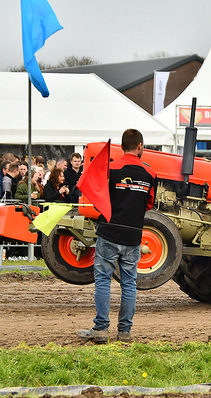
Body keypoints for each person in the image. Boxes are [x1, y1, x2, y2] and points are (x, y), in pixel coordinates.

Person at [78, 129, 157, 343]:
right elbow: (148, 204)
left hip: (109, 233)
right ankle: (124, 332)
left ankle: (101, 329)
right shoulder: (150, 174)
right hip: (133, 236)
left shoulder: (110, 170)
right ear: (140, 146)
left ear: (122, 146)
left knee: (103, 280)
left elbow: (98, 194)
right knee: (129, 283)